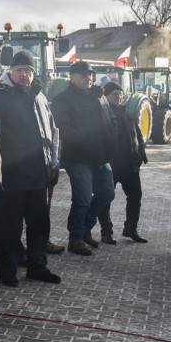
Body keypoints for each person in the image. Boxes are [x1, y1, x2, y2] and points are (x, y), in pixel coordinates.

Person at [0, 51, 62, 286]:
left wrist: (54, 162)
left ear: (33, 73)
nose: (23, 74)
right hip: (11, 176)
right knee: (10, 227)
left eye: (27, 70)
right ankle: (8, 270)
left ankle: (37, 266)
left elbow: (52, 131)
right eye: (18, 70)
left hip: (38, 174)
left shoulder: (39, 96)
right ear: (10, 72)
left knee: (40, 225)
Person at [50, 60, 116, 256]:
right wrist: (83, 141)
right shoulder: (63, 99)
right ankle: (76, 239)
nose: (88, 78)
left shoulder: (98, 96)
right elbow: (63, 127)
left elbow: (110, 121)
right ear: (71, 77)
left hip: (101, 157)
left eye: (90, 74)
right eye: (83, 75)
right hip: (78, 158)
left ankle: (86, 227)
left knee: (107, 193)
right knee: (83, 199)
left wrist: (113, 143)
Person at [97, 82, 148, 244]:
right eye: (114, 94)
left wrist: (141, 154)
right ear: (106, 96)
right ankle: (106, 232)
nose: (118, 97)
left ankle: (130, 229)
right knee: (105, 199)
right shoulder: (102, 114)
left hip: (131, 165)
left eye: (120, 94)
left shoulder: (128, 113)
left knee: (135, 197)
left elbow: (138, 136)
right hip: (111, 166)